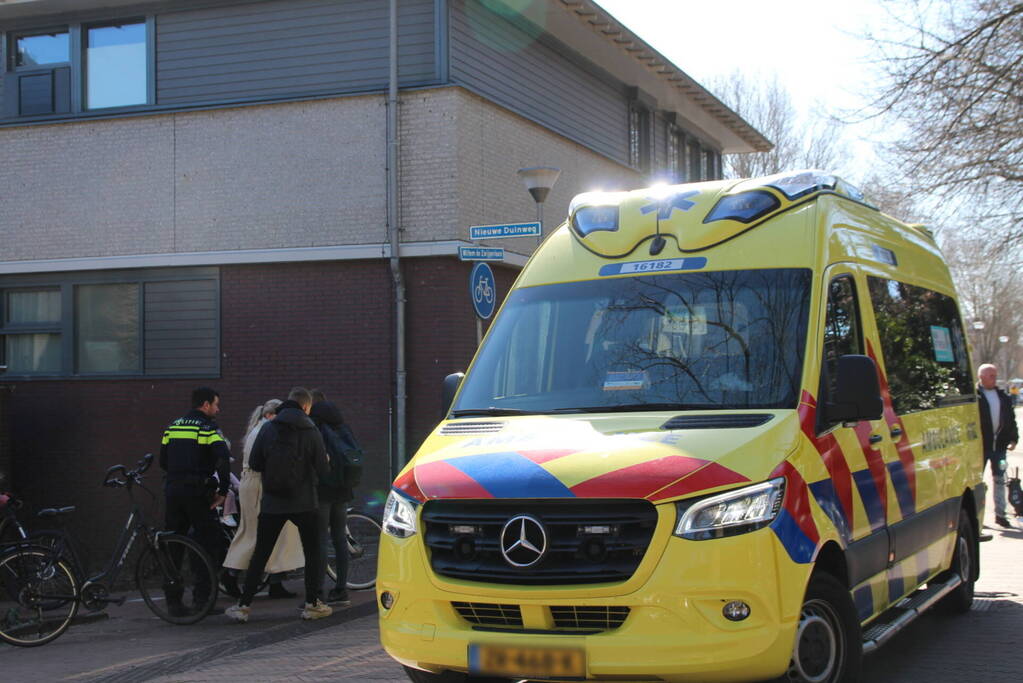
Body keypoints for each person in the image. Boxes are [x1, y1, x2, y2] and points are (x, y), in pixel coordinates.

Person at [226, 387, 331, 623]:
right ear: (306, 406)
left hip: (273, 502)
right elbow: (323, 471)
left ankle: (243, 605)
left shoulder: (268, 428)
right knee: (312, 551)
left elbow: (255, 462)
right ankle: (313, 604)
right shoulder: (311, 430)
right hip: (305, 502)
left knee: (261, 552)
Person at [222, 398, 305, 599]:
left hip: (252, 484)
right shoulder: (267, 431)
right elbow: (268, 461)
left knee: (259, 533)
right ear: (269, 415)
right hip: (261, 485)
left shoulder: (257, 430)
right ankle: (232, 574)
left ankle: (273, 580)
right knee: (265, 534)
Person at [160, 387, 231, 615]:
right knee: (209, 542)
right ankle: (203, 599)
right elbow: (222, 459)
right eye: (216, 404)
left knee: (173, 544)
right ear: (205, 404)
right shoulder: (207, 428)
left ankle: (173, 602)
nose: (217, 409)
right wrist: (222, 489)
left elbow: (163, 460)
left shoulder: (173, 426)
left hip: (173, 491)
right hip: (197, 493)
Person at [310, 391, 361, 606]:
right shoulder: (343, 427)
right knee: (339, 539)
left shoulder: (315, 429)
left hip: (322, 491)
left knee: (319, 540)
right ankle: (341, 589)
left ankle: (317, 591)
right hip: (343, 490)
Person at [977, 363, 1019, 528]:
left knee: (999, 480)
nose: (994, 378)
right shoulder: (976, 397)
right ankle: (978, 517)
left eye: (995, 375)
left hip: (1000, 447)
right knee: (978, 482)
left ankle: (1000, 515)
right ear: (981, 377)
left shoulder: (1003, 397)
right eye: (991, 375)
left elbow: (1011, 420)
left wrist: (1014, 439)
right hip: (981, 447)